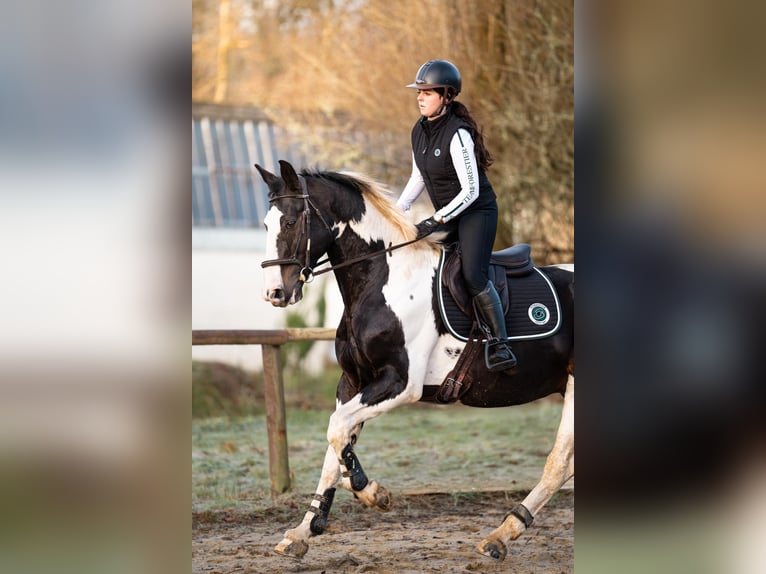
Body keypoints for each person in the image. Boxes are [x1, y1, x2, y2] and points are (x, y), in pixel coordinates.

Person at [396, 59, 517, 371]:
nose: (419, 97)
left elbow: (471, 190)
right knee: (420, 256)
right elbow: (418, 177)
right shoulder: (418, 131)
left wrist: (436, 219)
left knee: (473, 275)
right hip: (450, 215)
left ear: (446, 96)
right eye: (418, 92)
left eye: (427, 92)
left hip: (477, 213)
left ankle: (500, 344)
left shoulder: (458, 133)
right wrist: (398, 211)